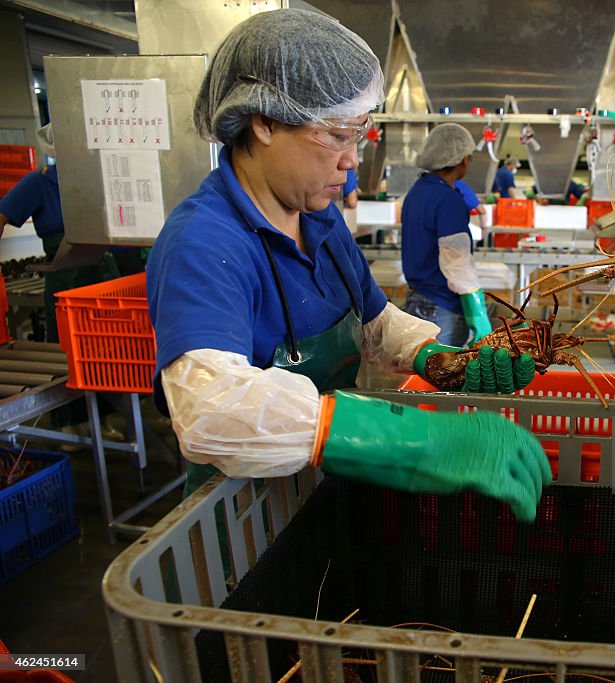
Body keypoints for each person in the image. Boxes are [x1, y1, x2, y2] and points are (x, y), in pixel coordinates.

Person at [146, 9, 547, 520]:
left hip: (323, 494)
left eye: (359, 135)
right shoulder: (203, 243)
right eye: (337, 134)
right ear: (264, 120)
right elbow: (212, 412)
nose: (353, 160)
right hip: (244, 521)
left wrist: (436, 357)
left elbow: (374, 319)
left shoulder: (321, 219)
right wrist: (406, 437)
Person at [0, 124, 122, 441]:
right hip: (65, 278)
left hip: (102, 275)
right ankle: (70, 425)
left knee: (107, 352)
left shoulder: (97, 181)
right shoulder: (37, 183)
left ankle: (106, 421)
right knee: (69, 354)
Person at [401, 124, 494, 346]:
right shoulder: (448, 199)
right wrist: (477, 311)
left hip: (417, 300)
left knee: (421, 376)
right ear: (462, 159)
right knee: (445, 377)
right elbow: (456, 261)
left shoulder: (417, 192)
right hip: (440, 306)